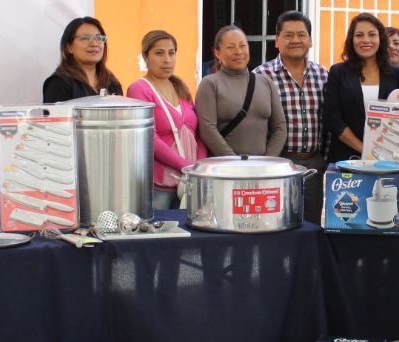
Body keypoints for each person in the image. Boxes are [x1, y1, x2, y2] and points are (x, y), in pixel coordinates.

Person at [255, 11, 329, 223]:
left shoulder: (324, 75)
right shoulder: (261, 75)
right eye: (288, 35)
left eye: (301, 35)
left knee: (311, 223)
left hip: (313, 162)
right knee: (275, 221)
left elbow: (329, 120)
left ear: (310, 40)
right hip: (278, 161)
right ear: (277, 40)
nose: (295, 40)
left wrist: (323, 157)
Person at [127, 30, 207, 210]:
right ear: (145, 57)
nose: (167, 59)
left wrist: (200, 167)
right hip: (161, 184)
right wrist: (186, 166)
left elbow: (198, 133)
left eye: (171, 53)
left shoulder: (181, 87)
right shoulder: (139, 89)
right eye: (159, 53)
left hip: (190, 182)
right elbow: (149, 138)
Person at [322, 13, 399, 163]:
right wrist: (364, 149)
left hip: (387, 159)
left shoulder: (396, 74)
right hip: (346, 160)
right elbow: (332, 119)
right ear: (351, 40)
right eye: (359, 35)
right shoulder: (338, 72)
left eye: (372, 34)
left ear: (380, 39)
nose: (366, 40)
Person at [196, 25, 286, 157]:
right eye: (230, 47)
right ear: (217, 53)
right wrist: (235, 163)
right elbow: (207, 129)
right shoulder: (210, 84)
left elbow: (280, 127)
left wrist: (267, 161)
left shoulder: (266, 82)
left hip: (262, 170)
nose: (238, 52)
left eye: (242, 46)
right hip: (224, 170)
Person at [43, 16, 123, 103]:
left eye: (99, 38)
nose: (94, 44)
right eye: (85, 38)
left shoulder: (111, 82)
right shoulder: (58, 83)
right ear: (69, 47)